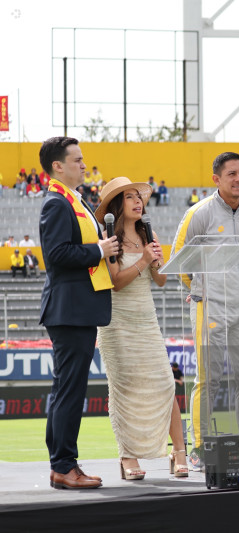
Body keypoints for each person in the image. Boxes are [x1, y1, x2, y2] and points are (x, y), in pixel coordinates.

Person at [173, 152, 239, 470]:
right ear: (216, 179)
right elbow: (179, 258)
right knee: (210, 379)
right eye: (231, 173)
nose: (238, 179)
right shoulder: (200, 213)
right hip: (211, 308)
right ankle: (199, 448)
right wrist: (198, 290)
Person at [93, 177, 188, 479]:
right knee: (124, 390)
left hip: (147, 320)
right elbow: (117, 283)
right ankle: (127, 457)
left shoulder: (149, 233)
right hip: (117, 322)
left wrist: (158, 261)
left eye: (140, 197)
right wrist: (144, 260)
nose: (138, 201)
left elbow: (160, 281)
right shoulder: (109, 237)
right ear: (117, 204)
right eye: (130, 197)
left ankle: (179, 452)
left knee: (166, 384)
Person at [39, 136, 119, 489]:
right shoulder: (57, 203)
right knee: (69, 390)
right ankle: (64, 465)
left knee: (67, 388)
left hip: (77, 308)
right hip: (69, 309)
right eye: (77, 160)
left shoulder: (74, 201)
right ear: (58, 166)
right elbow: (56, 254)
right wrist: (98, 250)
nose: (84, 165)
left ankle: (63, 463)